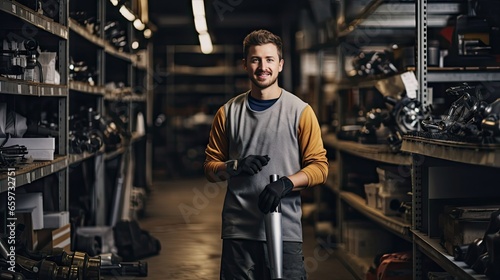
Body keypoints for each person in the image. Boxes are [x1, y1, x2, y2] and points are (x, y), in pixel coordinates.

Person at [204, 29, 328, 280]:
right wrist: (234, 166)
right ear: (245, 64)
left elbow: (320, 167)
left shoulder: (300, 112)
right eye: (255, 59)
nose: (263, 67)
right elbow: (209, 168)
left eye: (270, 59)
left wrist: (286, 183)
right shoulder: (228, 113)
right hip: (238, 231)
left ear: (280, 64)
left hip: (285, 229)